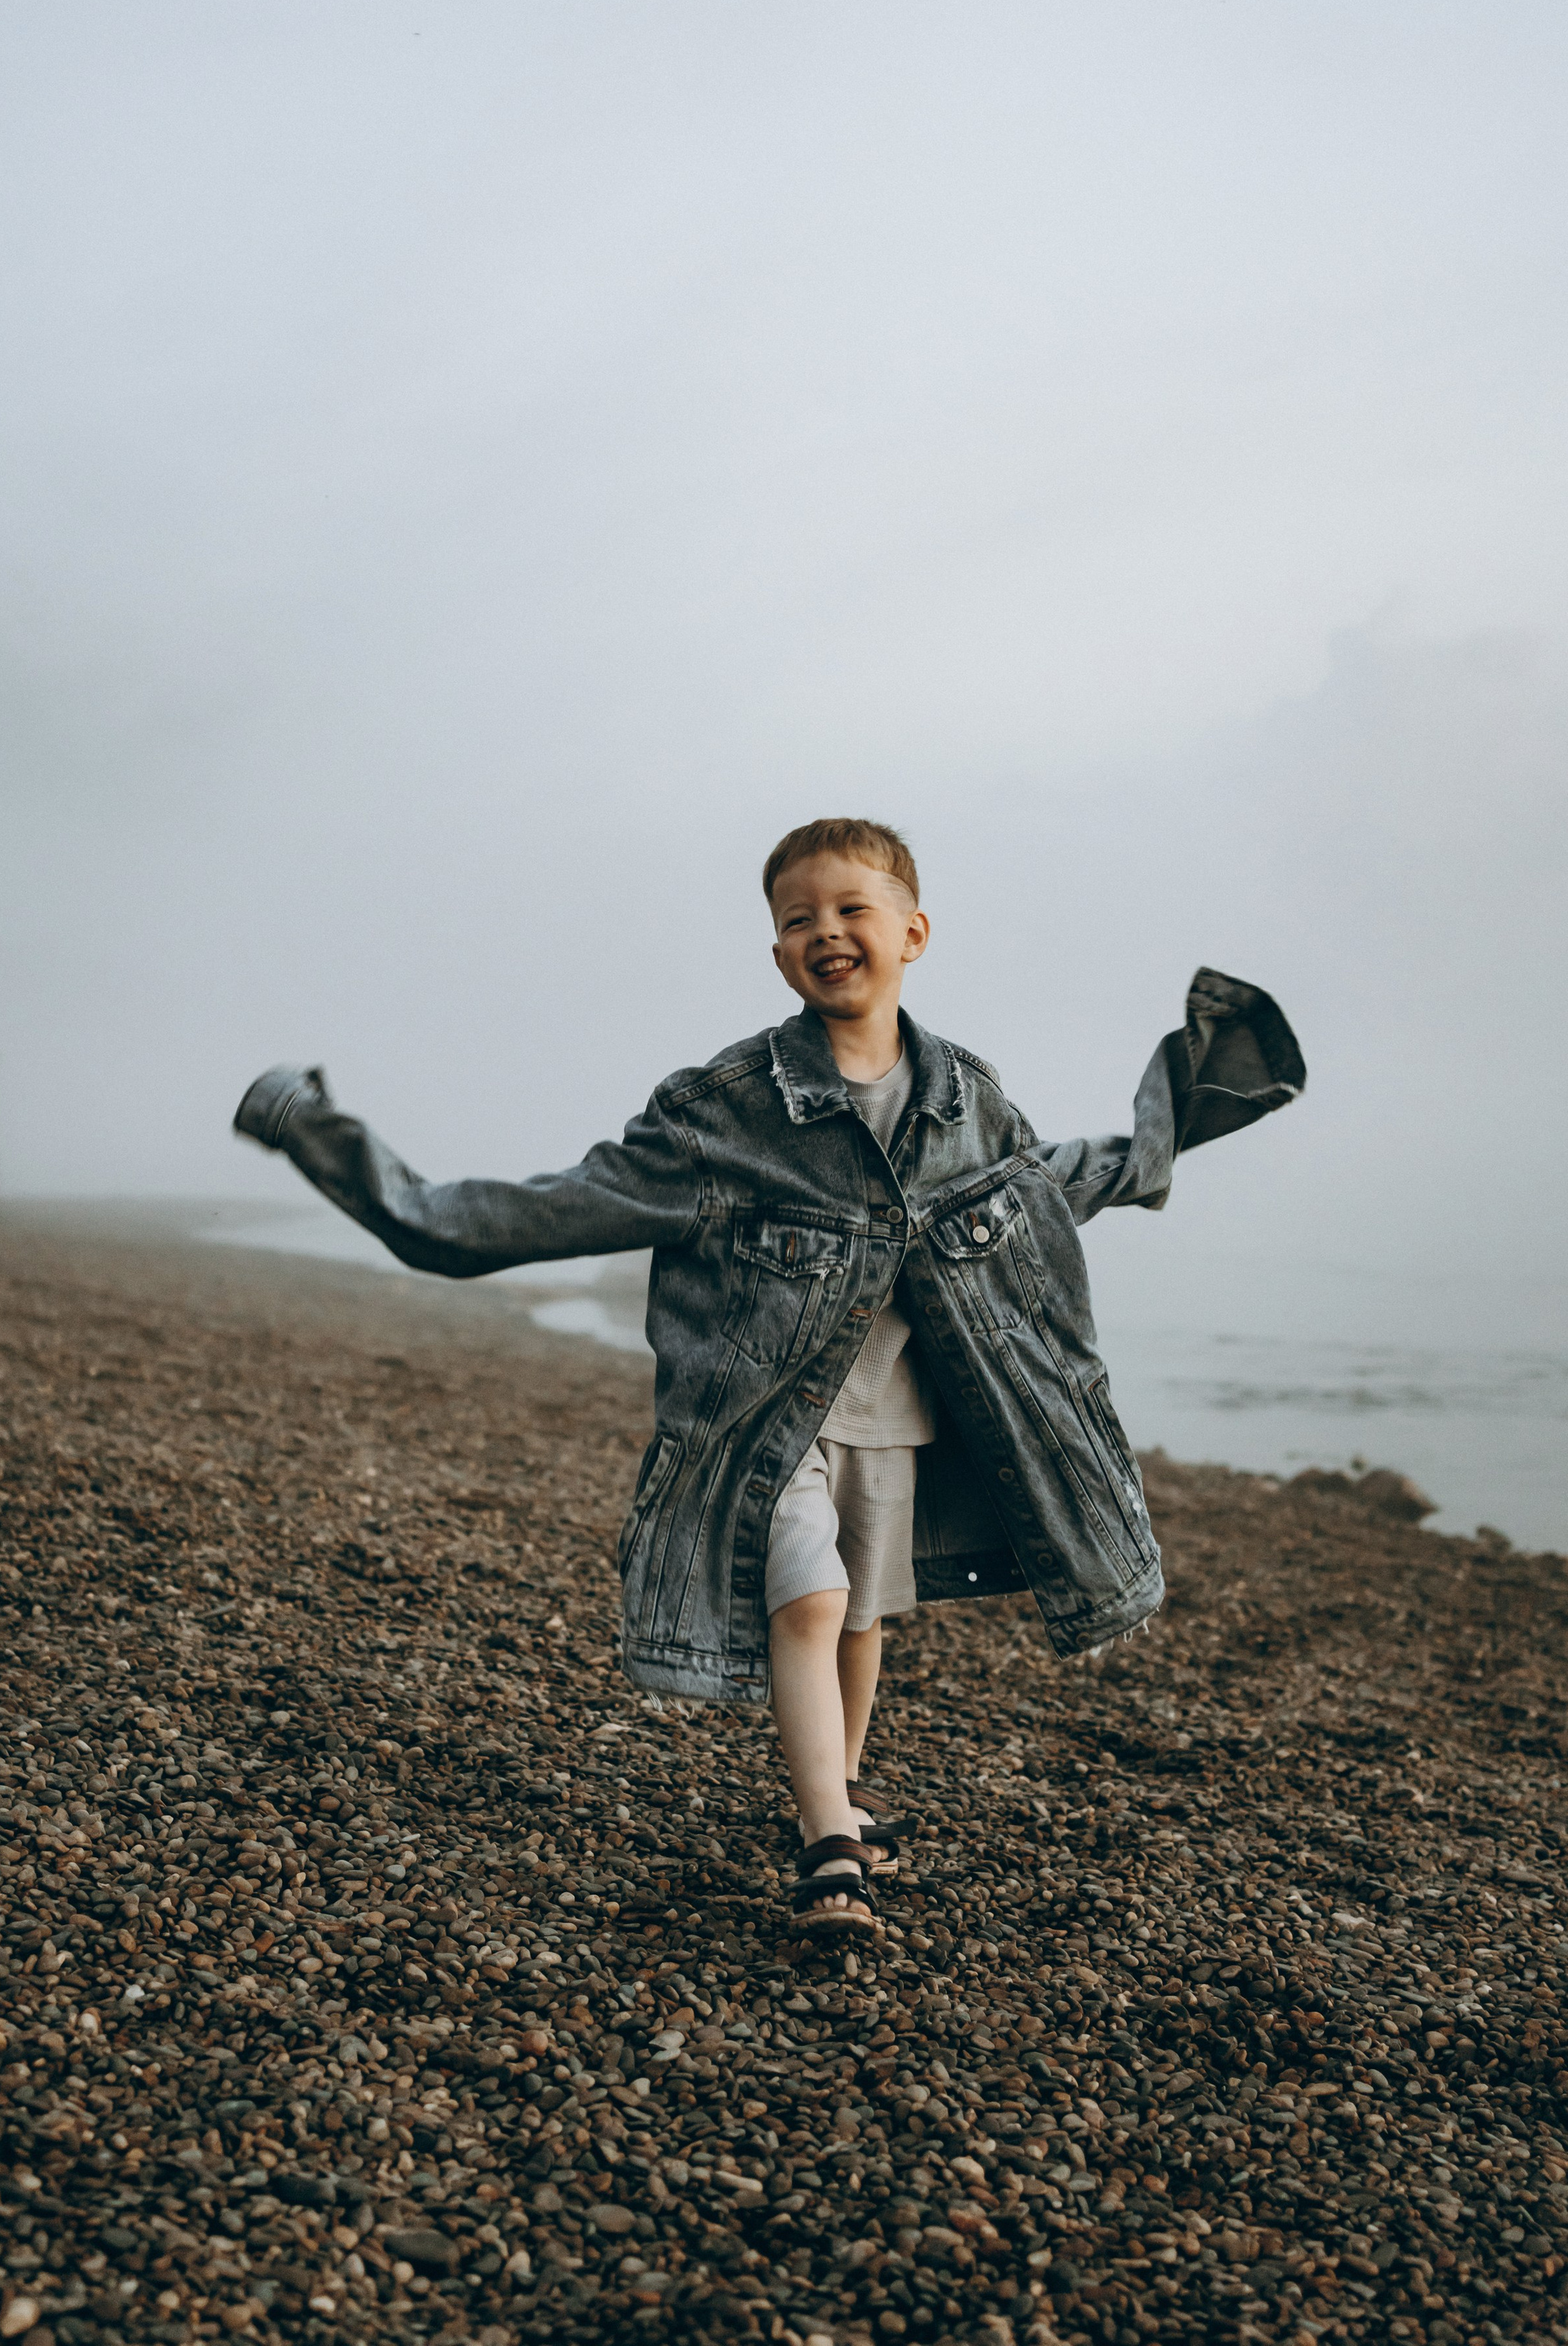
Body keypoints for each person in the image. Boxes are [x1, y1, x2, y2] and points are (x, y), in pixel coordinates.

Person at [233, 817, 1304, 1943]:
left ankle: (830, 1791)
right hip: (761, 1427)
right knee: (814, 1598)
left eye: (852, 910)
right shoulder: (726, 1111)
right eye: (799, 919)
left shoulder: (968, 1101)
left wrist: (1208, 1087)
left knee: (864, 1619)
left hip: (899, 1414)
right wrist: (319, 1137)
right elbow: (502, 1219)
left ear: (914, 933)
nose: (827, 932)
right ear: (779, 952)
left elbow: (1060, 1182)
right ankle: (829, 1845)